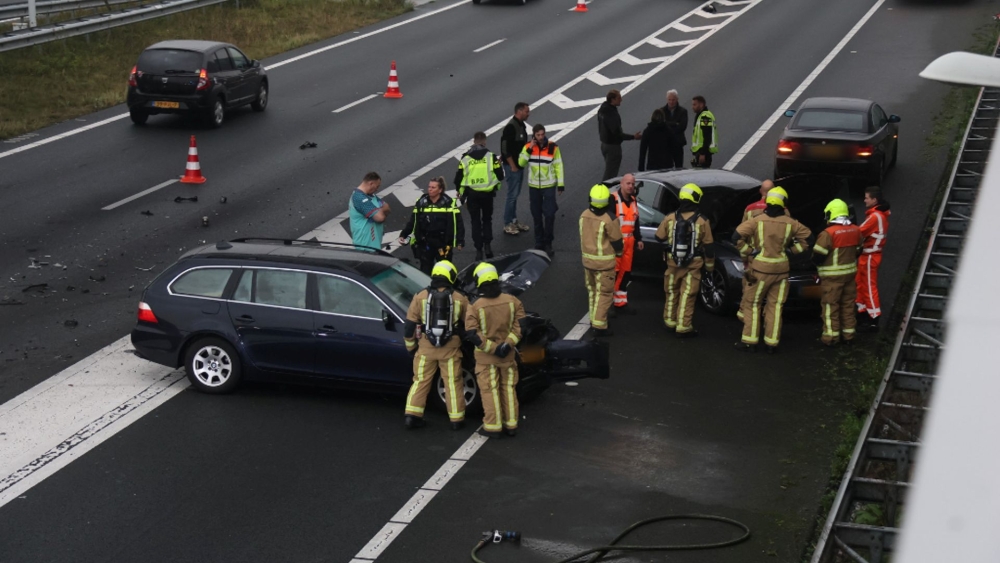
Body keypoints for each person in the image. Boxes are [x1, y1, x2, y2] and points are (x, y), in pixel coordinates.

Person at [734, 187, 811, 353]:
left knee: (752, 304)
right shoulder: (791, 223)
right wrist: (791, 252)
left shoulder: (756, 220)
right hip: (781, 271)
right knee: (775, 307)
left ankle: (750, 341)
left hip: (760, 270)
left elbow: (736, 237)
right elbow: (808, 239)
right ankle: (771, 344)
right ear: (784, 204)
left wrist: (749, 251)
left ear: (768, 202)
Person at [403, 261, 470, 430]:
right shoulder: (460, 298)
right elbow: (470, 324)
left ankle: (412, 416)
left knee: (420, 381)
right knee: (453, 383)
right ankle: (456, 420)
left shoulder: (420, 296)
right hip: (450, 349)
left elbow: (409, 326)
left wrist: (411, 347)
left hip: (426, 348)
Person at [465, 262, 526, 438]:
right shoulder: (513, 301)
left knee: (489, 391)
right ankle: (511, 425)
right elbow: (520, 328)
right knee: (508, 389)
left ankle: (493, 427)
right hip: (508, 356)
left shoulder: (475, 306)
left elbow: (472, 334)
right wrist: (507, 344)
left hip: (486, 359)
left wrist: (492, 348)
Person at [654, 183, 715, 337]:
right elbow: (708, 247)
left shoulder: (670, 218)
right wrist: (709, 268)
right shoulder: (702, 221)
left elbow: (658, 237)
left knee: (671, 292)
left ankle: (669, 322)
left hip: (672, 264)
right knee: (687, 295)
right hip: (693, 265)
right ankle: (683, 326)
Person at [813, 199, 862, 347]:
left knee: (830, 307)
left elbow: (818, 257)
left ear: (831, 214)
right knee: (847, 306)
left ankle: (831, 338)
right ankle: (849, 336)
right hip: (850, 276)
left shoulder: (828, 234)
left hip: (832, 279)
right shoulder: (856, 230)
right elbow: (859, 250)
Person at [579, 184, 623, 337]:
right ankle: (599, 326)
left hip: (587, 262)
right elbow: (617, 242)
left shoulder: (584, 215)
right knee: (604, 294)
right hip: (604, 264)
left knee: (592, 292)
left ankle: (593, 319)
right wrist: (619, 253)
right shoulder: (609, 218)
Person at [398, 177, 464, 274]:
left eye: (433, 187)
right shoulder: (421, 203)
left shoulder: (449, 204)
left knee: (444, 271)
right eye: (429, 187)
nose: (430, 189)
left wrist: (460, 241)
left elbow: (458, 223)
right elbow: (413, 221)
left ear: (440, 190)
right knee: (425, 271)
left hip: (443, 243)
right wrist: (403, 235)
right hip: (425, 243)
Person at [456, 131, 505, 261]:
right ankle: (487, 247)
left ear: (474, 142)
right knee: (487, 220)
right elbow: (500, 175)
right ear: (484, 142)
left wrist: (461, 193)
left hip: (472, 196)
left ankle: (478, 250)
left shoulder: (465, 158)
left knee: (475, 222)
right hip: (487, 195)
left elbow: (459, 178)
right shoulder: (491, 157)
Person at [518, 124, 564, 255]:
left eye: (542, 134)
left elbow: (558, 166)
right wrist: (530, 149)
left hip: (549, 185)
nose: (541, 137)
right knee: (536, 215)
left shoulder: (553, 147)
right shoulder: (528, 147)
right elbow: (521, 163)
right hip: (534, 187)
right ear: (533, 135)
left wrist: (561, 184)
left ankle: (548, 242)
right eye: (538, 135)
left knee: (549, 215)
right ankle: (539, 242)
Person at [856, 187, 891, 332]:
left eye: (867, 198)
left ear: (874, 200)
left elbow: (858, 232)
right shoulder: (878, 215)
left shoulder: (874, 217)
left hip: (870, 256)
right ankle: (864, 312)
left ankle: (873, 318)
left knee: (869, 287)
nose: (864, 200)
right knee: (861, 284)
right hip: (869, 255)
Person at [611, 174, 644, 312]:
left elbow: (635, 222)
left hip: (629, 242)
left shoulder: (633, 200)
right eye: (628, 183)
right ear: (621, 183)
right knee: (614, 273)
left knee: (625, 273)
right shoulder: (613, 199)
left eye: (632, 184)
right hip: (617, 242)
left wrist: (639, 238)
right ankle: (609, 304)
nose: (631, 186)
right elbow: (609, 223)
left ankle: (620, 303)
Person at [500, 102, 531, 236]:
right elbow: (505, 148)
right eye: (526, 111)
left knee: (515, 194)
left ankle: (513, 220)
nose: (528, 113)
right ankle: (507, 223)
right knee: (512, 196)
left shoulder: (521, 125)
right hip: (513, 167)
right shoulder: (510, 127)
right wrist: (512, 165)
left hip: (519, 165)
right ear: (519, 111)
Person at [597, 89, 642, 181]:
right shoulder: (611, 114)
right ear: (612, 100)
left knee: (609, 169)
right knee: (610, 175)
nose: (621, 100)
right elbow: (617, 134)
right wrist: (633, 137)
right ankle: (604, 192)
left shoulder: (602, 109)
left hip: (604, 145)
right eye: (619, 98)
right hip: (613, 147)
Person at [350, 171, 391, 251]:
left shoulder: (371, 196)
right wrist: (380, 212)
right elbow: (380, 218)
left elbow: (387, 208)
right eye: (377, 186)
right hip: (365, 246)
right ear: (371, 183)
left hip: (374, 244)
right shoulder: (359, 198)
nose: (377, 189)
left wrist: (378, 210)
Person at [661, 89, 688, 169]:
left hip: (678, 143)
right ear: (667, 99)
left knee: (679, 167)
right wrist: (675, 123)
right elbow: (661, 125)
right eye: (669, 99)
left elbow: (682, 126)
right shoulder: (662, 111)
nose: (671, 102)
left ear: (677, 99)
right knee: (666, 167)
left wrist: (667, 124)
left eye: (673, 100)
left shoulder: (683, 111)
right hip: (666, 144)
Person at [690, 95, 718, 169]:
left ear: (701, 104)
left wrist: (703, 153)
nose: (692, 107)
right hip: (700, 152)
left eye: (694, 104)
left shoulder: (705, 116)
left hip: (703, 152)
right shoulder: (700, 115)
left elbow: (707, 136)